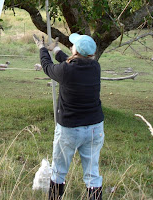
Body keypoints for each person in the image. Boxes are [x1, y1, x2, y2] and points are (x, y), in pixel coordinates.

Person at [33, 33, 104, 200]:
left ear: (76, 50)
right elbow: (71, 61)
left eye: (73, 46)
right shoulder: (95, 67)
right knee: (93, 174)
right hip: (94, 128)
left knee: (58, 171)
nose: (70, 47)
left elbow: (47, 67)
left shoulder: (66, 70)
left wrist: (42, 49)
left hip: (70, 129)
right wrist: (56, 50)